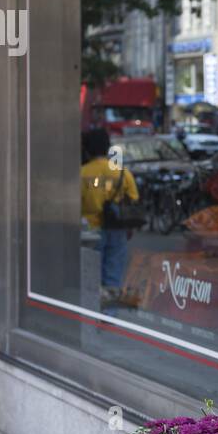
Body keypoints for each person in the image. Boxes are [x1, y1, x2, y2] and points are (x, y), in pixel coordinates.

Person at [80, 128, 140, 309]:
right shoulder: (122, 172)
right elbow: (134, 199)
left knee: (91, 275)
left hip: (90, 231)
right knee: (113, 275)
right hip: (117, 228)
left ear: (87, 148)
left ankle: (91, 312)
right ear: (107, 148)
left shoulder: (83, 173)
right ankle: (109, 316)